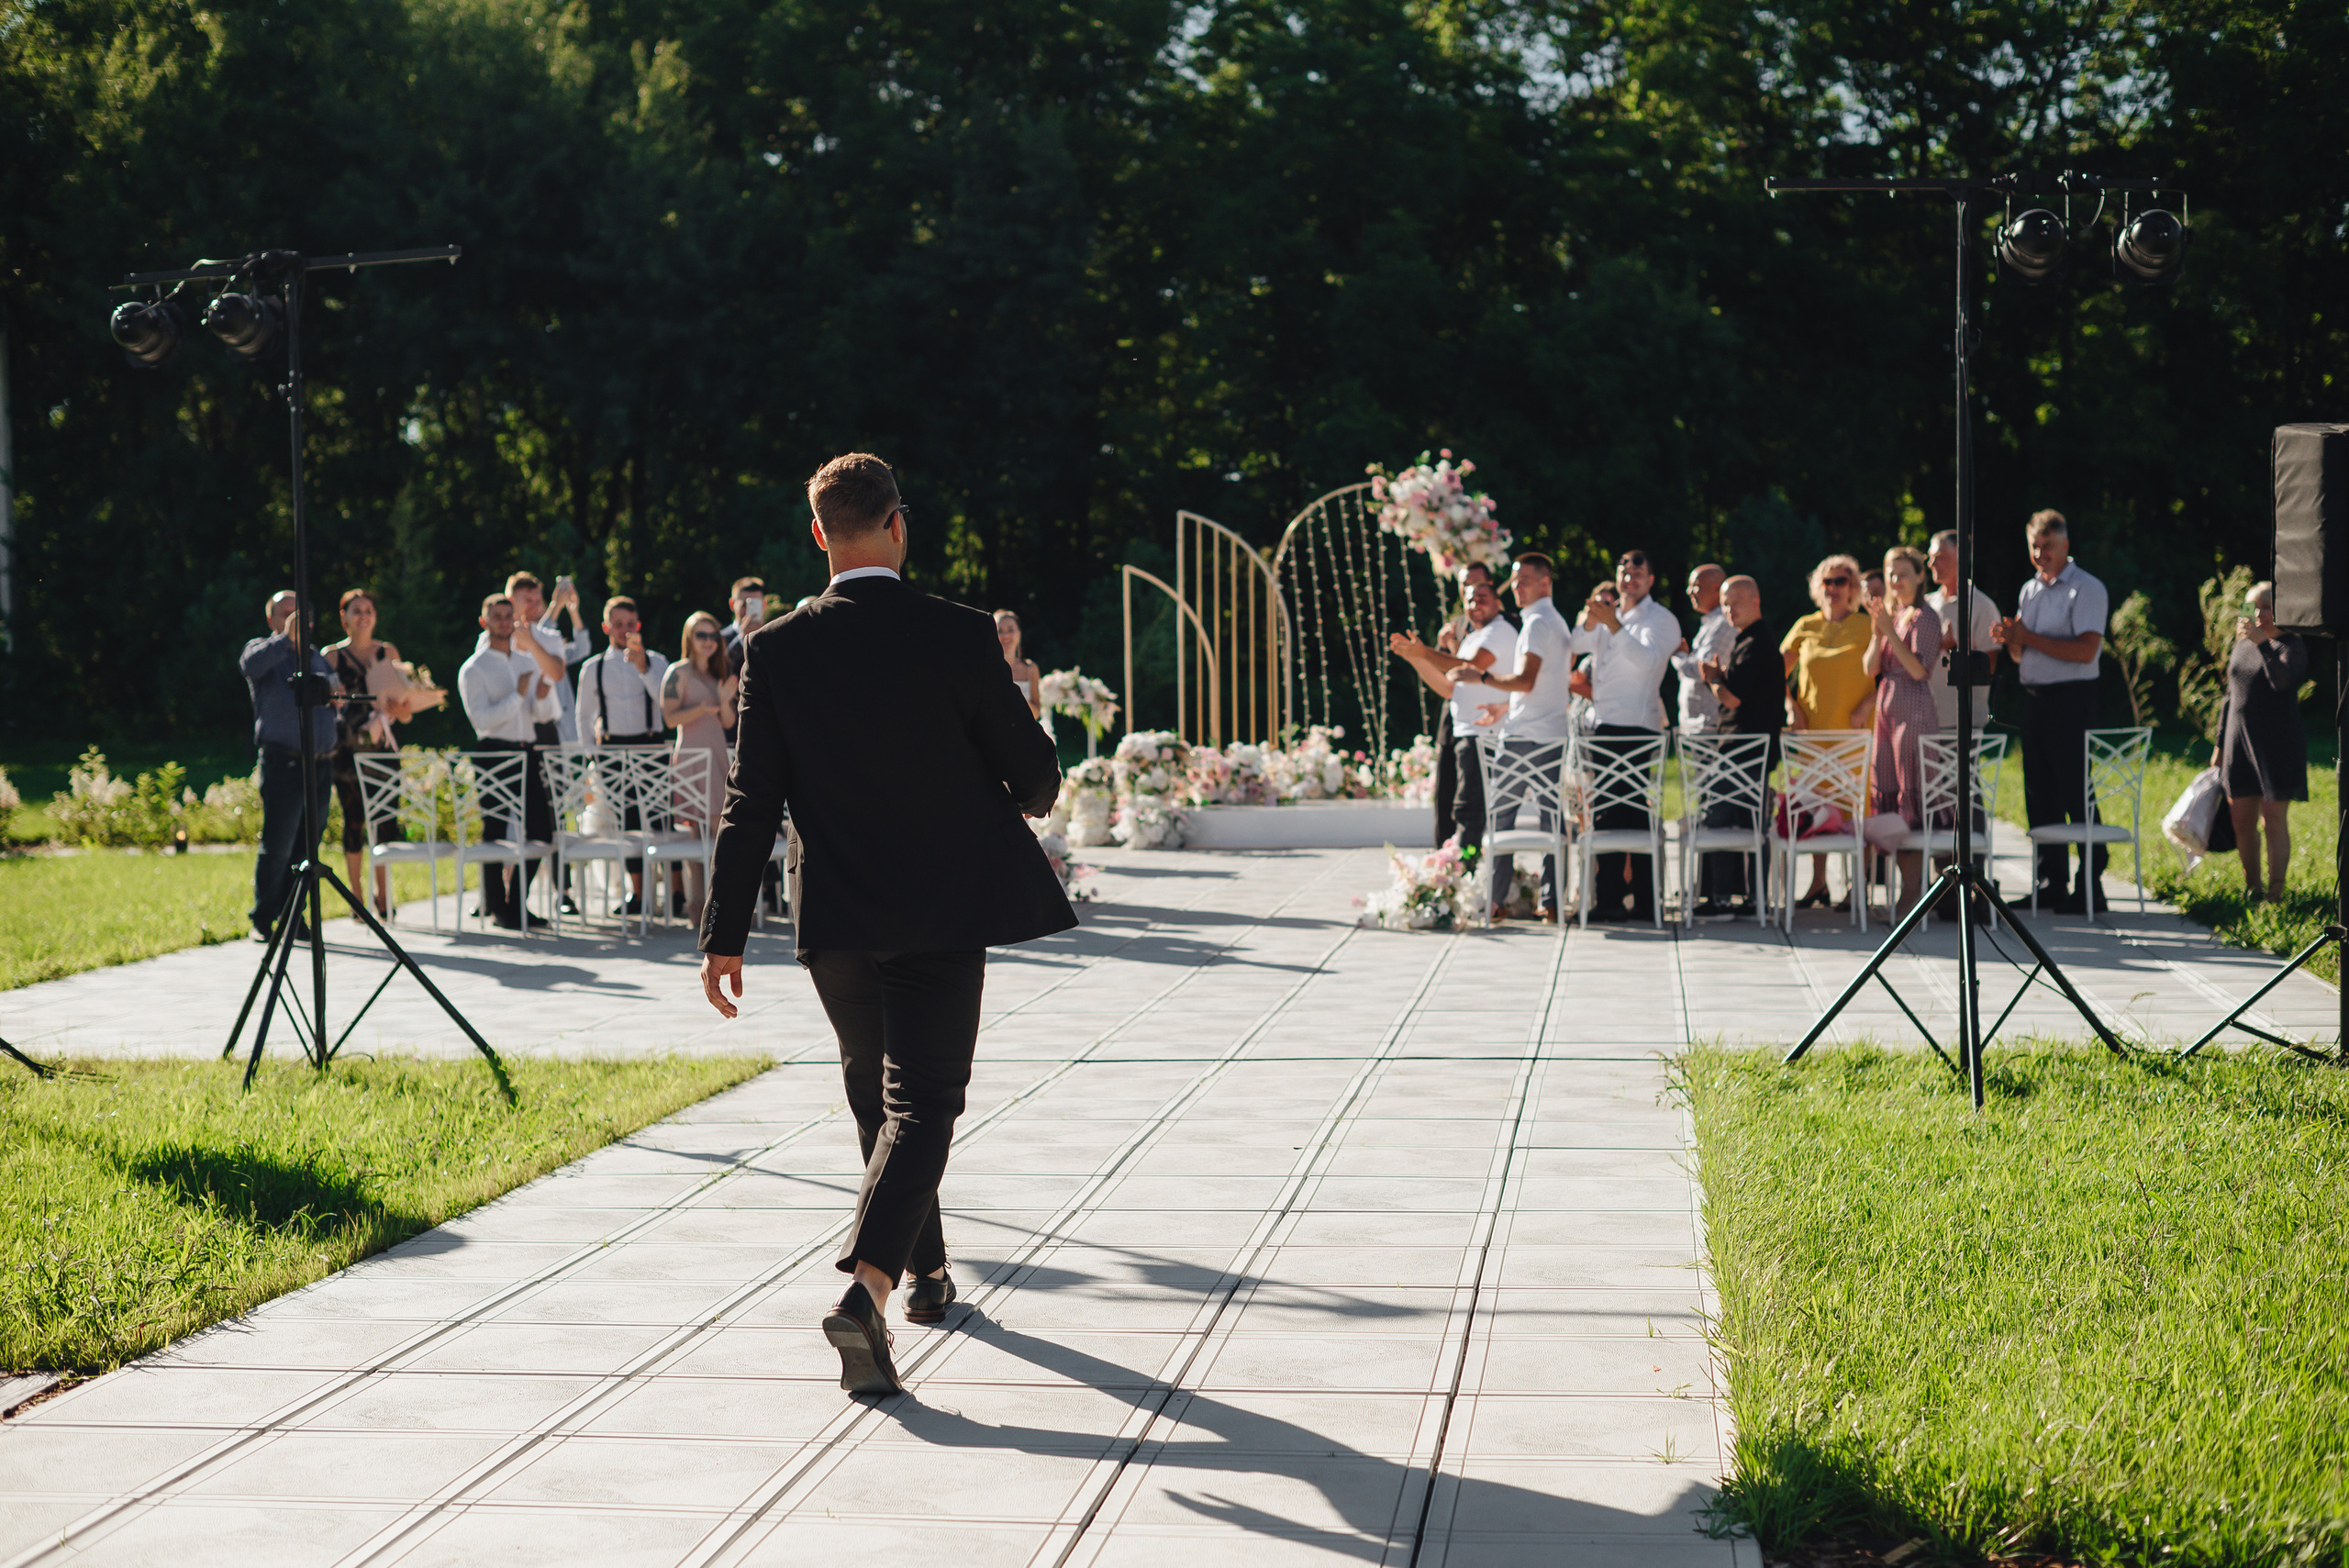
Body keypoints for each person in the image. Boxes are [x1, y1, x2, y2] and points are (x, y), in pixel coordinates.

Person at [697, 451, 1071, 1397]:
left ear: (819, 534)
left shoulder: (775, 647)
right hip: (942, 909)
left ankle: (931, 1276)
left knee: (883, 1100)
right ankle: (867, 1285)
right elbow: (1033, 781)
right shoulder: (957, 635)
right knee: (922, 1102)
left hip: (837, 916)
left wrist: (723, 933)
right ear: (899, 524)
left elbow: (750, 803)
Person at [1993, 511, 2110, 913]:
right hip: (2035, 699)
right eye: (2034, 547)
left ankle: (2091, 884)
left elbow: (2085, 650)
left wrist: (2027, 637)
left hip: (2071, 699)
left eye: (2048, 547)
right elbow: (2021, 652)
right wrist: (2012, 640)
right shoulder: (2030, 590)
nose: (2040, 554)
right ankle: (2050, 880)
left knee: (2075, 789)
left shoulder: (2086, 588)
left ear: (2066, 546)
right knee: (2038, 791)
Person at [1564, 550, 1678, 922]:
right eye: (1624, 571)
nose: (1629, 577)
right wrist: (1592, 618)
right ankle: (1610, 898)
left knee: (1634, 811)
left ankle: (1646, 901)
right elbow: (1576, 645)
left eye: (1638, 572)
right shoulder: (1611, 614)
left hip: (1637, 727)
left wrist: (1613, 625)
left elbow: (1647, 661)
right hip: (1602, 726)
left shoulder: (1661, 620)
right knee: (1608, 814)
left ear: (1651, 580)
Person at [1460, 551, 1575, 918]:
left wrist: (1485, 679)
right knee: (1551, 821)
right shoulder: (1556, 622)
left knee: (1501, 817)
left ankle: (1493, 903)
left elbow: (1526, 680)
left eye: (1524, 580)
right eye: (1515, 580)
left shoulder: (1538, 623)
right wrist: (1505, 705)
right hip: (1552, 731)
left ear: (1546, 583)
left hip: (1526, 736)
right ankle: (1552, 902)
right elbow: (1549, 687)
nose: (1516, 588)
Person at [1389, 578, 1515, 857]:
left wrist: (1425, 652)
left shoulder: (1501, 631)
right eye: (1470, 600)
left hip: (1485, 736)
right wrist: (1416, 659)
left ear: (1498, 603)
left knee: (1469, 811)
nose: (1475, 604)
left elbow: (1471, 667)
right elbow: (1449, 687)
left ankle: (1467, 876)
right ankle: (1466, 874)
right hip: (1467, 735)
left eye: (1482, 597)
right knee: (1464, 808)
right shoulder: (1472, 637)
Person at [240, 590, 339, 942]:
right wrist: (286, 640)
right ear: (272, 620)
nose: (294, 620)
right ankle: (263, 919)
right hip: (284, 762)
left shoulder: (318, 659)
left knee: (307, 848)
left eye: (299, 615)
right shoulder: (263, 650)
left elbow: (334, 701)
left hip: (320, 765)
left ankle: (294, 918)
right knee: (278, 844)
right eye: (285, 614)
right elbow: (249, 667)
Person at [1781, 554, 1875, 909]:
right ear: (1817, 587)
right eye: (1827, 581)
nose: (1833, 588)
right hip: (1813, 733)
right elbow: (1775, 669)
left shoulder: (1866, 625)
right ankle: (1818, 883)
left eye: (1841, 581)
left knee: (1855, 809)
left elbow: (1888, 672)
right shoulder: (1805, 624)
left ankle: (1858, 887)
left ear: (1853, 589)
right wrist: (1790, 705)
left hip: (1854, 733)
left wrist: (1869, 704)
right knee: (1815, 806)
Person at [458, 594, 554, 929]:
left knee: (542, 830)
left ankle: (517, 903)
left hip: (527, 750)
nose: (502, 621)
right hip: (493, 753)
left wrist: (539, 698)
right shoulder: (473, 669)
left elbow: (537, 714)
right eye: (495, 616)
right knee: (495, 829)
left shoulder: (526, 663)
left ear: (515, 620)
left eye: (507, 616)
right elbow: (481, 721)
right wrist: (517, 695)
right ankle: (498, 908)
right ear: (484, 622)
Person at [1858, 548, 1943, 918]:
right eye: (1892, 574)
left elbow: (1918, 670)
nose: (1896, 581)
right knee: (1891, 802)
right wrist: (1880, 633)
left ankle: (1914, 894)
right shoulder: (1893, 616)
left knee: (1914, 804)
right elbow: (1868, 669)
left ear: (1920, 576)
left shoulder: (1926, 618)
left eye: (1903, 574)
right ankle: (1907, 894)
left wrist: (1891, 632)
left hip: (1913, 714)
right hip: (1886, 714)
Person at [2211, 581, 2308, 904]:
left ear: (2281, 610)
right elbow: (2229, 697)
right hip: (2239, 744)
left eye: (2266, 607)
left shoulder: (2291, 645)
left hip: (2277, 746)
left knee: (2273, 818)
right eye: (2252, 608)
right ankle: (2252, 887)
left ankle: (2276, 892)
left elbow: (2281, 681)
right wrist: (2219, 744)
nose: (2258, 615)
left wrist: (2262, 643)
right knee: (2241, 819)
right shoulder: (2241, 645)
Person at [574, 595, 671, 914]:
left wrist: (644, 669)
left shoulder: (658, 662)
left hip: (652, 745)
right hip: (612, 751)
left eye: (630, 624)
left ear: (639, 626)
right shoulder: (593, 668)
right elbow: (583, 716)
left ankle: (674, 893)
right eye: (618, 625)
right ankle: (639, 894)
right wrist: (593, 755)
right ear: (606, 627)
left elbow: (668, 705)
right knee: (628, 822)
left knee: (660, 819)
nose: (624, 630)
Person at [322, 589, 416, 917]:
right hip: (347, 750)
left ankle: (383, 893)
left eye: (369, 610)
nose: (363, 615)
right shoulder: (331, 656)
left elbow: (406, 711)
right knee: (354, 822)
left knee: (385, 822)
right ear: (344, 617)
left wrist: (400, 708)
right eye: (356, 610)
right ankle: (356, 896)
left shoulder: (388, 651)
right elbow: (322, 707)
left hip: (383, 749)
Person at [1694, 574, 1780, 917]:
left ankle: (1720, 900)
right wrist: (1720, 676)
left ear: (1755, 602)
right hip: (1751, 750)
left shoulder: (1756, 643)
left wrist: (1713, 679)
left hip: (1744, 752)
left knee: (1718, 820)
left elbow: (1731, 699)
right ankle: (1754, 900)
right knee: (1751, 825)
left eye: (1735, 603)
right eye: (1726, 604)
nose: (1729, 610)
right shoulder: (1752, 639)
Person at [662, 611, 739, 925]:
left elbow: (729, 722)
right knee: (698, 839)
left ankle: (716, 910)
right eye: (701, 635)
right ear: (689, 639)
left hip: (718, 758)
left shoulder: (720, 673)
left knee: (720, 838)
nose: (708, 641)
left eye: (712, 636)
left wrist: (722, 701)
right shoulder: (678, 672)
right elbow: (669, 719)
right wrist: (702, 709)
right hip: (692, 761)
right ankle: (699, 912)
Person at [1425, 562, 1509, 847]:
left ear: (1492, 589)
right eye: (1465, 588)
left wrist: (1422, 653)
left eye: (1477, 586)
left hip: (1480, 724)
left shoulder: (1499, 625)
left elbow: (1470, 668)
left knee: (1469, 804)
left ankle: (1462, 869)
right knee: (1445, 795)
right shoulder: (1461, 625)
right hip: (1453, 720)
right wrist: (1438, 648)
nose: (1471, 596)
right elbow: (1450, 677)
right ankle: (1444, 859)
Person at [1674, 563, 1731, 735]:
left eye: (1695, 586)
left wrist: (1679, 655)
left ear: (1717, 589)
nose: (1689, 591)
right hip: (1699, 724)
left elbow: (1702, 669)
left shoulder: (1723, 623)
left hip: (1710, 724)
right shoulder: (1711, 623)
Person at [996, 609, 1044, 722]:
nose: (1005, 635)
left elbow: (1036, 713)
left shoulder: (1030, 668)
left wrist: (1017, 698)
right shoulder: (985, 668)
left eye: (1011, 630)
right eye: (1000, 631)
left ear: (1019, 634)